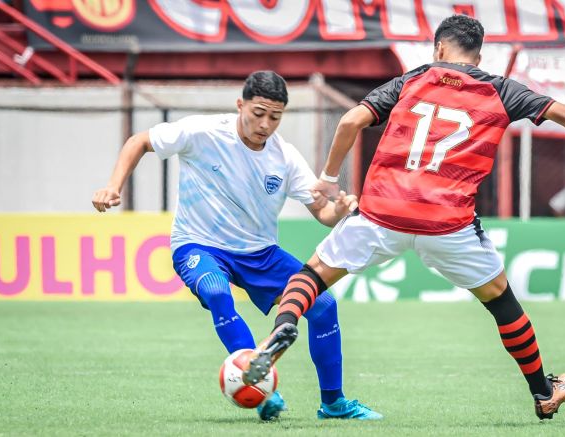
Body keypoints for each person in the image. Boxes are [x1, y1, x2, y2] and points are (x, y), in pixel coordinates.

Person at [243, 16, 565, 420]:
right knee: (502, 302)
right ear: (479, 57)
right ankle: (544, 392)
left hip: (382, 212)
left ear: (438, 48)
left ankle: (281, 329)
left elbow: (352, 120)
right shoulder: (501, 90)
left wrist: (329, 177)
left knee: (312, 276)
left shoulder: (412, 79)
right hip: (447, 224)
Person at [92, 71, 381, 421]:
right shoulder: (203, 132)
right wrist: (112, 185)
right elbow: (140, 141)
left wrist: (341, 209)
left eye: (275, 117)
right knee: (216, 291)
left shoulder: (284, 157)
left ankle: (333, 403)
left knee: (323, 304)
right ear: (240, 105)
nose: (265, 124)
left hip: (259, 252)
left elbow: (322, 211)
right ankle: (257, 388)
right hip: (199, 244)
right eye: (258, 113)